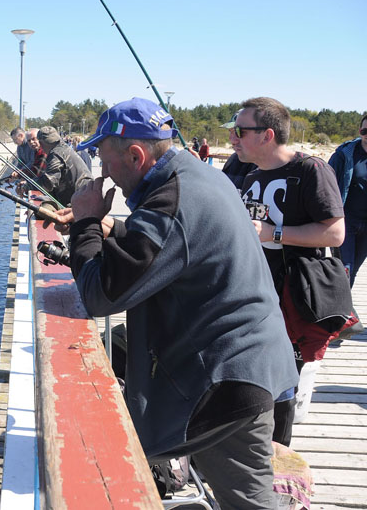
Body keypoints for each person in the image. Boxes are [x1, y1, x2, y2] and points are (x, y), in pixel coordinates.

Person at [65, 97, 298, 509]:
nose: (103, 172)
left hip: (229, 380)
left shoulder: (171, 200)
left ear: (135, 155)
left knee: (249, 503)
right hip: (250, 361)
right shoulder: (193, 173)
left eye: (104, 158)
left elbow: (100, 294)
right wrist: (111, 227)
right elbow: (167, 242)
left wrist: (85, 224)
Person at [235, 97, 345, 444]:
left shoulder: (310, 170)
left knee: (283, 383)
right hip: (256, 293)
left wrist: (275, 234)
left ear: (267, 135)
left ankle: (276, 467)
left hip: (293, 297)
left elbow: (335, 232)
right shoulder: (251, 174)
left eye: (241, 131)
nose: (234, 138)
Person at [328, 113, 367, 286]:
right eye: (365, 130)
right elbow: (325, 185)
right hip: (345, 222)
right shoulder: (345, 154)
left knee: (354, 269)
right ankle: (342, 310)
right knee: (345, 269)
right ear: (360, 131)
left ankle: (344, 306)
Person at [21, 126, 91, 207]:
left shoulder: (56, 154)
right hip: (84, 196)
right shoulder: (64, 148)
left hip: (82, 201)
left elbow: (48, 183)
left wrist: (26, 186)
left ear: (43, 142)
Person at [220, 109, 258, 191]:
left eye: (239, 132)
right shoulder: (233, 159)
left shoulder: (270, 167)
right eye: (230, 131)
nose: (232, 139)